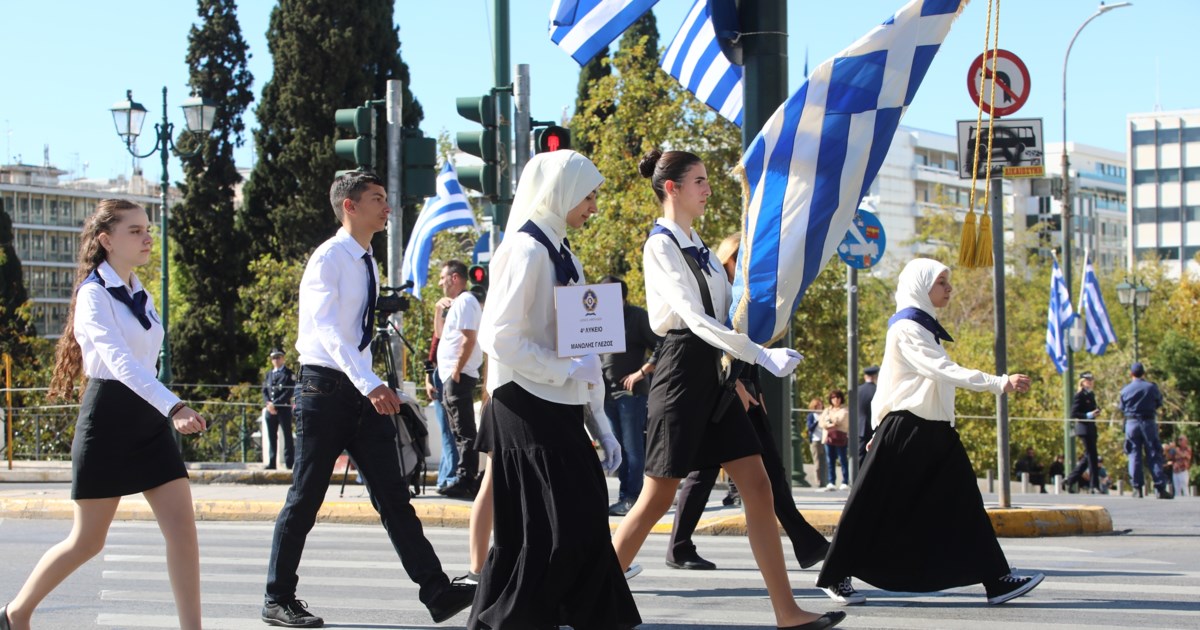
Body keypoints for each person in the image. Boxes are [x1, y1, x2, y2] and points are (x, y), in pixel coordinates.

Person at [612, 149, 844, 630]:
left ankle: (787, 612)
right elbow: (693, 321)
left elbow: (724, 317)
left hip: (713, 377)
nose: (708, 188)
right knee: (655, 499)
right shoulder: (660, 246)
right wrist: (760, 356)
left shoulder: (702, 249)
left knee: (758, 485)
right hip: (678, 375)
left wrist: (739, 371)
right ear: (671, 188)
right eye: (698, 180)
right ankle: (585, 597)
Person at [262, 172, 474, 628]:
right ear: (350, 207)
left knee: (394, 496)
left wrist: (378, 383)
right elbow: (327, 330)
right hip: (323, 390)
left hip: (358, 388)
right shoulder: (330, 258)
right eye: (377, 199)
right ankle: (277, 597)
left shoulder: (366, 261)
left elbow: (355, 340)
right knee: (305, 497)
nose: (387, 207)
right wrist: (369, 382)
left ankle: (436, 591)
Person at [1, 199, 208, 630]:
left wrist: (163, 408)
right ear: (106, 240)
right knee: (87, 541)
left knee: (184, 535)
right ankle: (16, 613)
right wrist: (174, 405)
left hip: (147, 421)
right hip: (109, 420)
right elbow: (120, 363)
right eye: (134, 231)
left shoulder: (141, 294)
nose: (147, 237)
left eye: (147, 228)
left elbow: (147, 363)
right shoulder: (94, 295)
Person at [469, 150, 639, 630]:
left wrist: (600, 422)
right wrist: (560, 370)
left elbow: (586, 350)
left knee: (575, 525)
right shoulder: (523, 251)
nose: (593, 206)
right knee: (548, 531)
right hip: (524, 406)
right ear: (559, 192)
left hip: (558, 406)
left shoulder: (566, 255)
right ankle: (509, 619)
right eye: (587, 196)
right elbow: (498, 337)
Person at [816, 257, 1045, 606]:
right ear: (921, 286)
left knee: (964, 503)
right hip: (907, 429)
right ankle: (834, 576)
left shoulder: (924, 326)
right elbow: (941, 370)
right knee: (871, 504)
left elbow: (914, 381)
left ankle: (996, 579)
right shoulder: (907, 327)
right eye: (941, 282)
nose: (948, 288)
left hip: (934, 431)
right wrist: (998, 383)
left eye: (947, 281)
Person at [664, 234, 853, 607]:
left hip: (742, 390)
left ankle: (808, 554)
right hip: (725, 392)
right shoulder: (722, 297)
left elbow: (743, 350)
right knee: (678, 485)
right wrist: (736, 386)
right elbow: (717, 347)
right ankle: (815, 553)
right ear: (729, 259)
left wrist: (754, 387)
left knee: (757, 479)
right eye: (743, 259)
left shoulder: (740, 298)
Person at [599, 274, 661, 516]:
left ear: (621, 297)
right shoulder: (598, 317)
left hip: (631, 394)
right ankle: (626, 496)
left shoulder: (636, 317)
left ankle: (631, 498)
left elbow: (661, 344)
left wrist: (641, 373)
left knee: (632, 446)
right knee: (617, 446)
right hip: (605, 394)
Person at [435, 260, 484, 499]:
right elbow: (440, 335)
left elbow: (469, 338)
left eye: (443, 277)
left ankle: (467, 478)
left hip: (459, 375)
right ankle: (462, 476)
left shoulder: (466, 301)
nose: (440, 282)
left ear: (455, 278)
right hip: (451, 375)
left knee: (464, 429)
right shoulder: (458, 304)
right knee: (457, 428)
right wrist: (438, 310)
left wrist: (457, 368)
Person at [1120, 362, 1172, 499]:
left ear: (1131, 374)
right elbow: (1158, 402)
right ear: (1143, 374)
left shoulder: (1125, 390)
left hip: (1131, 423)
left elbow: (1122, 407)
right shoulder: (1151, 387)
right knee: (1154, 453)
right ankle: (1160, 488)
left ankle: (1137, 488)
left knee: (1134, 455)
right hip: (1148, 422)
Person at [424, 316, 459, 492]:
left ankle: (446, 477)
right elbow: (431, 359)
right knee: (448, 431)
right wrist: (428, 381)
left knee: (452, 431)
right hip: (441, 376)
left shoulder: (458, 331)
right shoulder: (442, 333)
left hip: (449, 374)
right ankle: (449, 477)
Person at [1065, 372, 1102, 493]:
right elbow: (1074, 413)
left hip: (1091, 428)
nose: (1090, 382)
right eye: (1087, 380)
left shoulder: (1091, 395)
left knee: (1088, 457)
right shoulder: (1079, 395)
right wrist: (1088, 415)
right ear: (1082, 382)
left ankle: (1070, 480)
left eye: (1091, 380)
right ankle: (1094, 485)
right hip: (1083, 428)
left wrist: (1095, 413)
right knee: (1092, 457)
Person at [261, 348, 296, 470]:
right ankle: (271, 462)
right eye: (273, 358)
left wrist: (275, 404)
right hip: (270, 410)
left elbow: (289, 391)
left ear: (283, 358)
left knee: (287, 436)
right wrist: (268, 404)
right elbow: (264, 390)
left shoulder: (289, 374)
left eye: (278, 357)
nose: (275, 360)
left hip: (283, 409)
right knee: (271, 437)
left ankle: (289, 463)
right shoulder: (269, 374)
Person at [819, 390, 851, 491]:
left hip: (840, 438)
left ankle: (845, 481)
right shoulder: (827, 410)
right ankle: (831, 481)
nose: (836, 400)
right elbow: (821, 423)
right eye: (833, 398)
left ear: (841, 399)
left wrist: (829, 421)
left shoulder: (845, 410)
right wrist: (830, 423)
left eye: (837, 397)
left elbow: (840, 420)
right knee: (830, 460)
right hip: (828, 439)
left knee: (843, 459)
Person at [857, 366, 879, 465]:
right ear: (875, 376)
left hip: (858, 427)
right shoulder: (877, 390)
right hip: (874, 427)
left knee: (859, 456)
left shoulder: (857, 390)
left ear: (865, 376)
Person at [807, 398, 827, 488]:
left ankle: (825, 481)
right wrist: (817, 421)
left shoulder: (824, 414)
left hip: (824, 440)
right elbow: (810, 427)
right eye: (817, 405)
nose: (820, 406)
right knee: (817, 463)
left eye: (820, 405)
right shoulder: (811, 415)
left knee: (824, 462)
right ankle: (818, 481)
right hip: (815, 441)